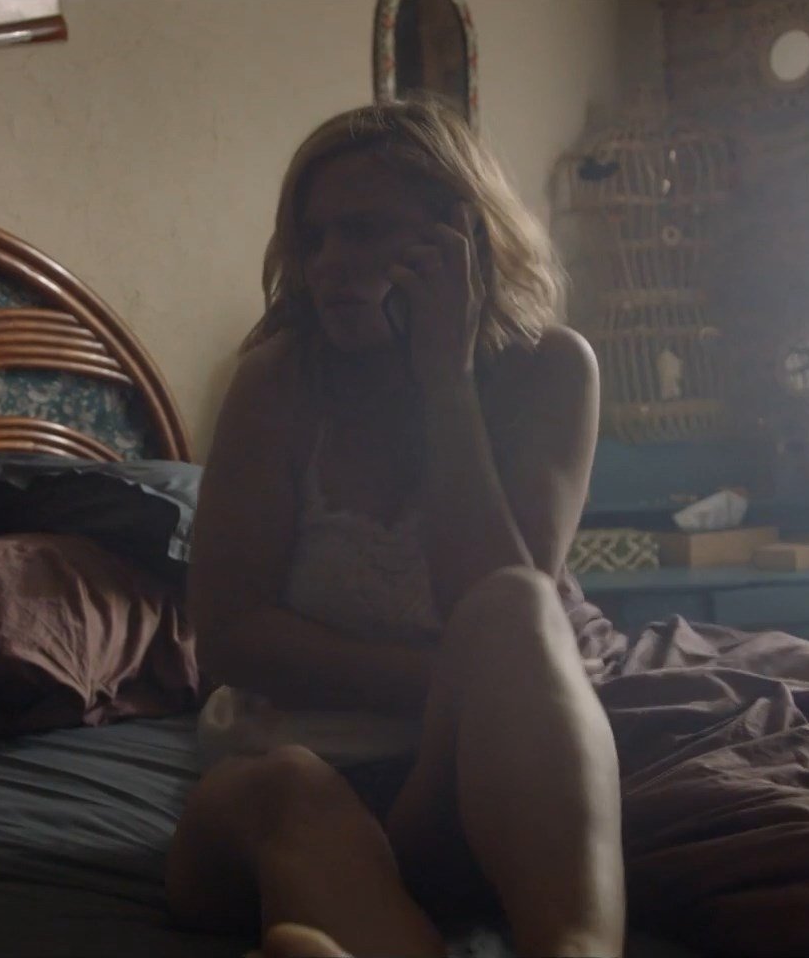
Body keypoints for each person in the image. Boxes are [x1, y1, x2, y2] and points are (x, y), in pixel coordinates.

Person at [164, 100, 624, 958]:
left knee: (520, 604)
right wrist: (459, 681)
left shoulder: (552, 372)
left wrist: (444, 382)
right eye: (314, 239)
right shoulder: (276, 384)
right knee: (285, 786)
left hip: (465, 782)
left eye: (364, 232)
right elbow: (231, 639)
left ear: (463, 236)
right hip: (290, 764)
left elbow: (490, 602)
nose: (329, 265)